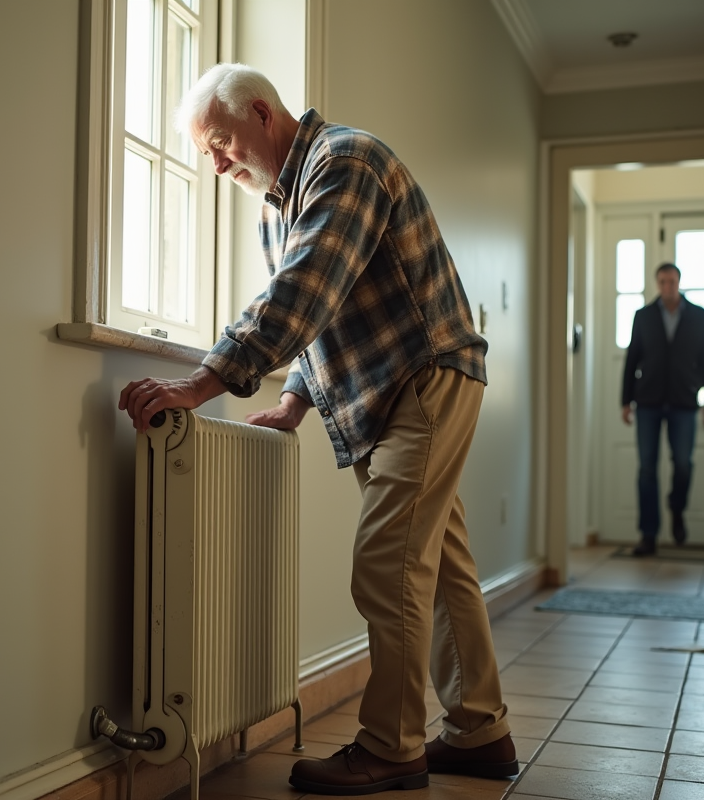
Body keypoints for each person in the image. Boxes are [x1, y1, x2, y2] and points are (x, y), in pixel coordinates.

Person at [118, 64, 515, 795]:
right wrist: (298, 399)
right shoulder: (281, 204)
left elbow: (304, 290)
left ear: (264, 116)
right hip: (390, 390)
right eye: (206, 152)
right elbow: (324, 312)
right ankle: (480, 730)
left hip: (422, 377)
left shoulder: (345, 162)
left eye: (220, 142)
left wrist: (203, 381)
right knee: (439, 567)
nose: (214, 164)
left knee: (387, 563)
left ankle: (392, 748)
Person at [621, 262, 704, 557]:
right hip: (648, 402)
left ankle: (677, 510)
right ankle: (648, 535)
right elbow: (631, 359)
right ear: (657, 284)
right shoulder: (644, 316)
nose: (667, 287)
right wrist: (625, 401)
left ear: (679, 282)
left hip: (684, 403)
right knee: (647, 469)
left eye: (672, 281)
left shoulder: (698, 316)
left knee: (684, 464)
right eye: (662, 282)